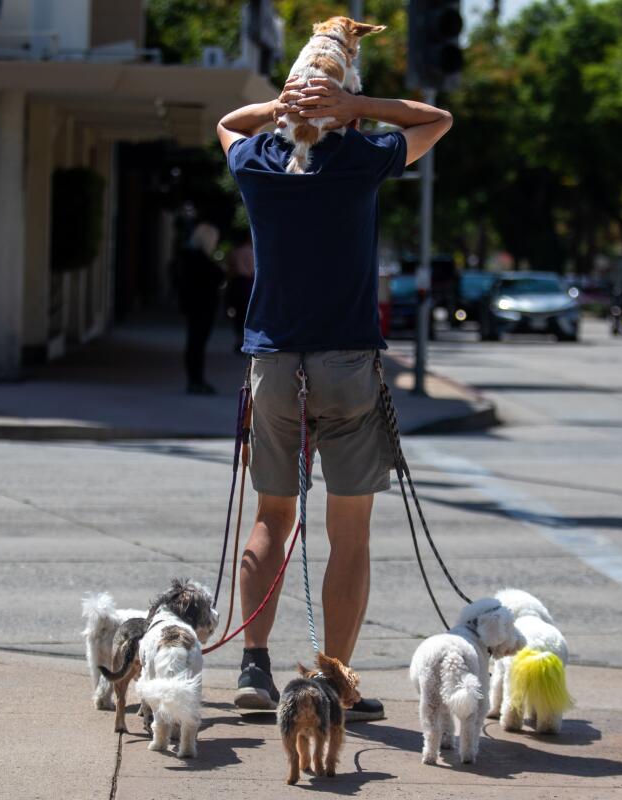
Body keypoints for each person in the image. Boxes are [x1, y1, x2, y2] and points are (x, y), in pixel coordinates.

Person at [216, 77, 452, 721]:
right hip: (348, 362)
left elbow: (229, 124)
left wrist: (277, 108)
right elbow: (436, 119)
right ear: (340, 113)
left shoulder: (258, 162)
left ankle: (254, 666)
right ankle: (331, 681)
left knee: (270, 517)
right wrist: (357, 107)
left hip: (273, 362)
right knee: (349, 532)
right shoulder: (360, 158)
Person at [176, 222, 224, 395]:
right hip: (201, 308)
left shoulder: (190, 258)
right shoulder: (198, 260)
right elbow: (216, 276)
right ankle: (195, 380)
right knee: (196, 345)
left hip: (195, 307)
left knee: (195, 344)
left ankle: (196, 380)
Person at [223, 229, 255, 353]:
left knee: (237, 314)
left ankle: (239, 339)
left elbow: (229, 270)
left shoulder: (234, 252)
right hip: (247, 283)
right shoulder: (251, 252)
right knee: (247, 313)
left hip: (236, 283)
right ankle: (245, 340)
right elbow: (253, 270)